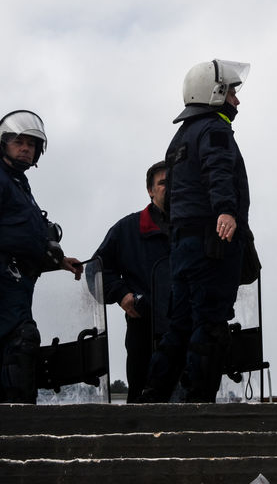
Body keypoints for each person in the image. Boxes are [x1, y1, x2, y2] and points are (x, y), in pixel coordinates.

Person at [139, 59, 251, 403]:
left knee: (180, 326)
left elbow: (172, 198)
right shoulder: (214, 129)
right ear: (215, 92)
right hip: (211, 243)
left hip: (184, 246)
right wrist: (226, 211)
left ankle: (153, 398)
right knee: (211, 324)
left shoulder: (180, 136)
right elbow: (218, 171)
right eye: (232, 92)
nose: (236, 100)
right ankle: (198, 404)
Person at [0, 110, 83, 404]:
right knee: (22, 338)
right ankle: (21, 417)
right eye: (18, 142)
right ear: (3, 143)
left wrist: (59, 262)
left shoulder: (19, 186)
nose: (26, 148)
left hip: (19, 279)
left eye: (31, 144)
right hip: (1, 277)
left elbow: (25, 237)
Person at [94, 161, 170, 403]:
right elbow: (96, 269)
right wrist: (121, 294)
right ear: (150, 190)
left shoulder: (196, 228)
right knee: (143, 402)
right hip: (144, 331)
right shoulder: (128, 229)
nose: (171, 187)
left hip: (190, 330)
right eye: (163, 183)